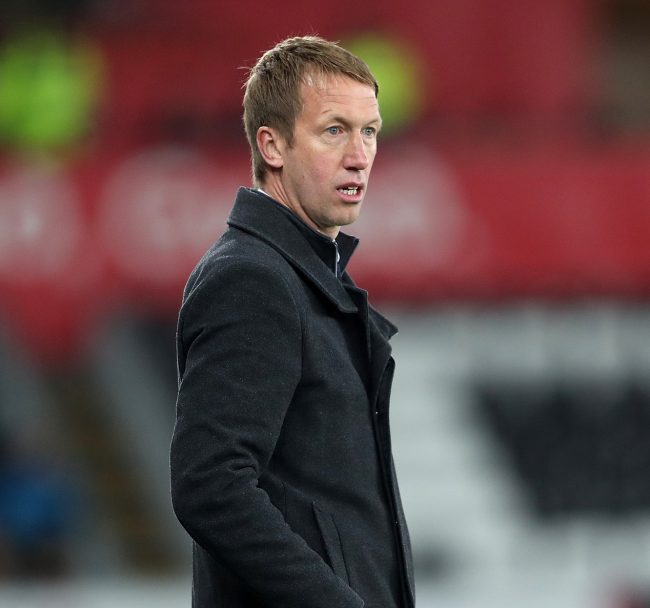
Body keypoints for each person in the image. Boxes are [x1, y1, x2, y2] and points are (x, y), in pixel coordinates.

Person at [170, 35, 414, 608]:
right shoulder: (252, 280)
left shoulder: (304, 277)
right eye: (334, 130)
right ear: (272, 145)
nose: (359, 155)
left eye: (370, 131)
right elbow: (209, 485)